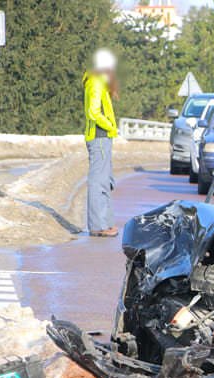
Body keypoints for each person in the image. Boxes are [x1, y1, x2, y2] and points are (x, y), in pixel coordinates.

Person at [83, 48, 118, 237]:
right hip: (99, 136)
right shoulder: (96, 82)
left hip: (101, 137)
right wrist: (110, 126)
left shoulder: (98, 81)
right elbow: (93, 111)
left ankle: (105, 224)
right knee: (99, 182)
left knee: (105, 181)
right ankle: (99, 226)